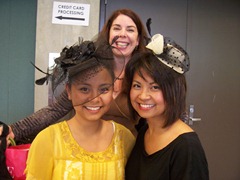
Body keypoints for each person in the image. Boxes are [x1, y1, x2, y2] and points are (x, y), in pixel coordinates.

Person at [9, 9, 149, 143]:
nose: (123, 34)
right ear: (108, 35)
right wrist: (14, 130)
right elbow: (57, 109)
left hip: (128, 151)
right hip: (86, 147)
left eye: (130, 29)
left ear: (137, 40)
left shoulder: (144, 75)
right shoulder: (90, 70)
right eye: (117, 28)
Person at [25, 40, 135, 179]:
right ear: (69, 91)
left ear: (113, 90)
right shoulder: (48, 140)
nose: (95, 98)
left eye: (104, 89)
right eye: (84, 89)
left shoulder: (124, 138)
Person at [124, 34, 209, 179]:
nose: (143, 95)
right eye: (137, 85)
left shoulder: (186, 147)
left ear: (174, 91)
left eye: (155, 87)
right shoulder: (145, 132)